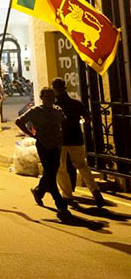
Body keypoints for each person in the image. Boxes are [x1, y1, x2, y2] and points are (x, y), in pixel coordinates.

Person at [15, 87, 72, 220]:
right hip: (43, 145)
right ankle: (60, 203)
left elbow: (64, 123)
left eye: (52, 98)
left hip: (56, 145)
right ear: (42, 98)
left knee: (51, 172)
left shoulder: (57, 111)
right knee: (50, 175)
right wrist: (31, 134)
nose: (50, 100)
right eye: (47, 98)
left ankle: (39, 191)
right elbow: (19, 121)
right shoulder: (35, 111)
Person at [52, 78, 107, 207]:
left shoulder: (54, 105)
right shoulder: (76, 103)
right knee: (82, 166)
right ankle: (95, 191)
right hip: (76, 137)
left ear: (54, 88)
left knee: (61, 168)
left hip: (60, 140)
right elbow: (87, 119)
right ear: (65, 87)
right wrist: (78, 123)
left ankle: (67, 195)